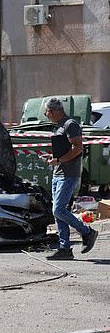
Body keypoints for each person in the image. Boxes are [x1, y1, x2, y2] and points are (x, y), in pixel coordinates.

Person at [42, 97, 97, 260]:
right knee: (60, 213)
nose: (46, 115)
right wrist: (53, 157)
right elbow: (64, 149)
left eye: (46, 112)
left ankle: (87, 232)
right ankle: (64, 248)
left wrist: (58, 160)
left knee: (58, 210)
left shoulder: (70, 124)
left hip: (68, 174)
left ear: (51, 111)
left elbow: (78, 148)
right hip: (58, 174)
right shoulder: (59, 126)